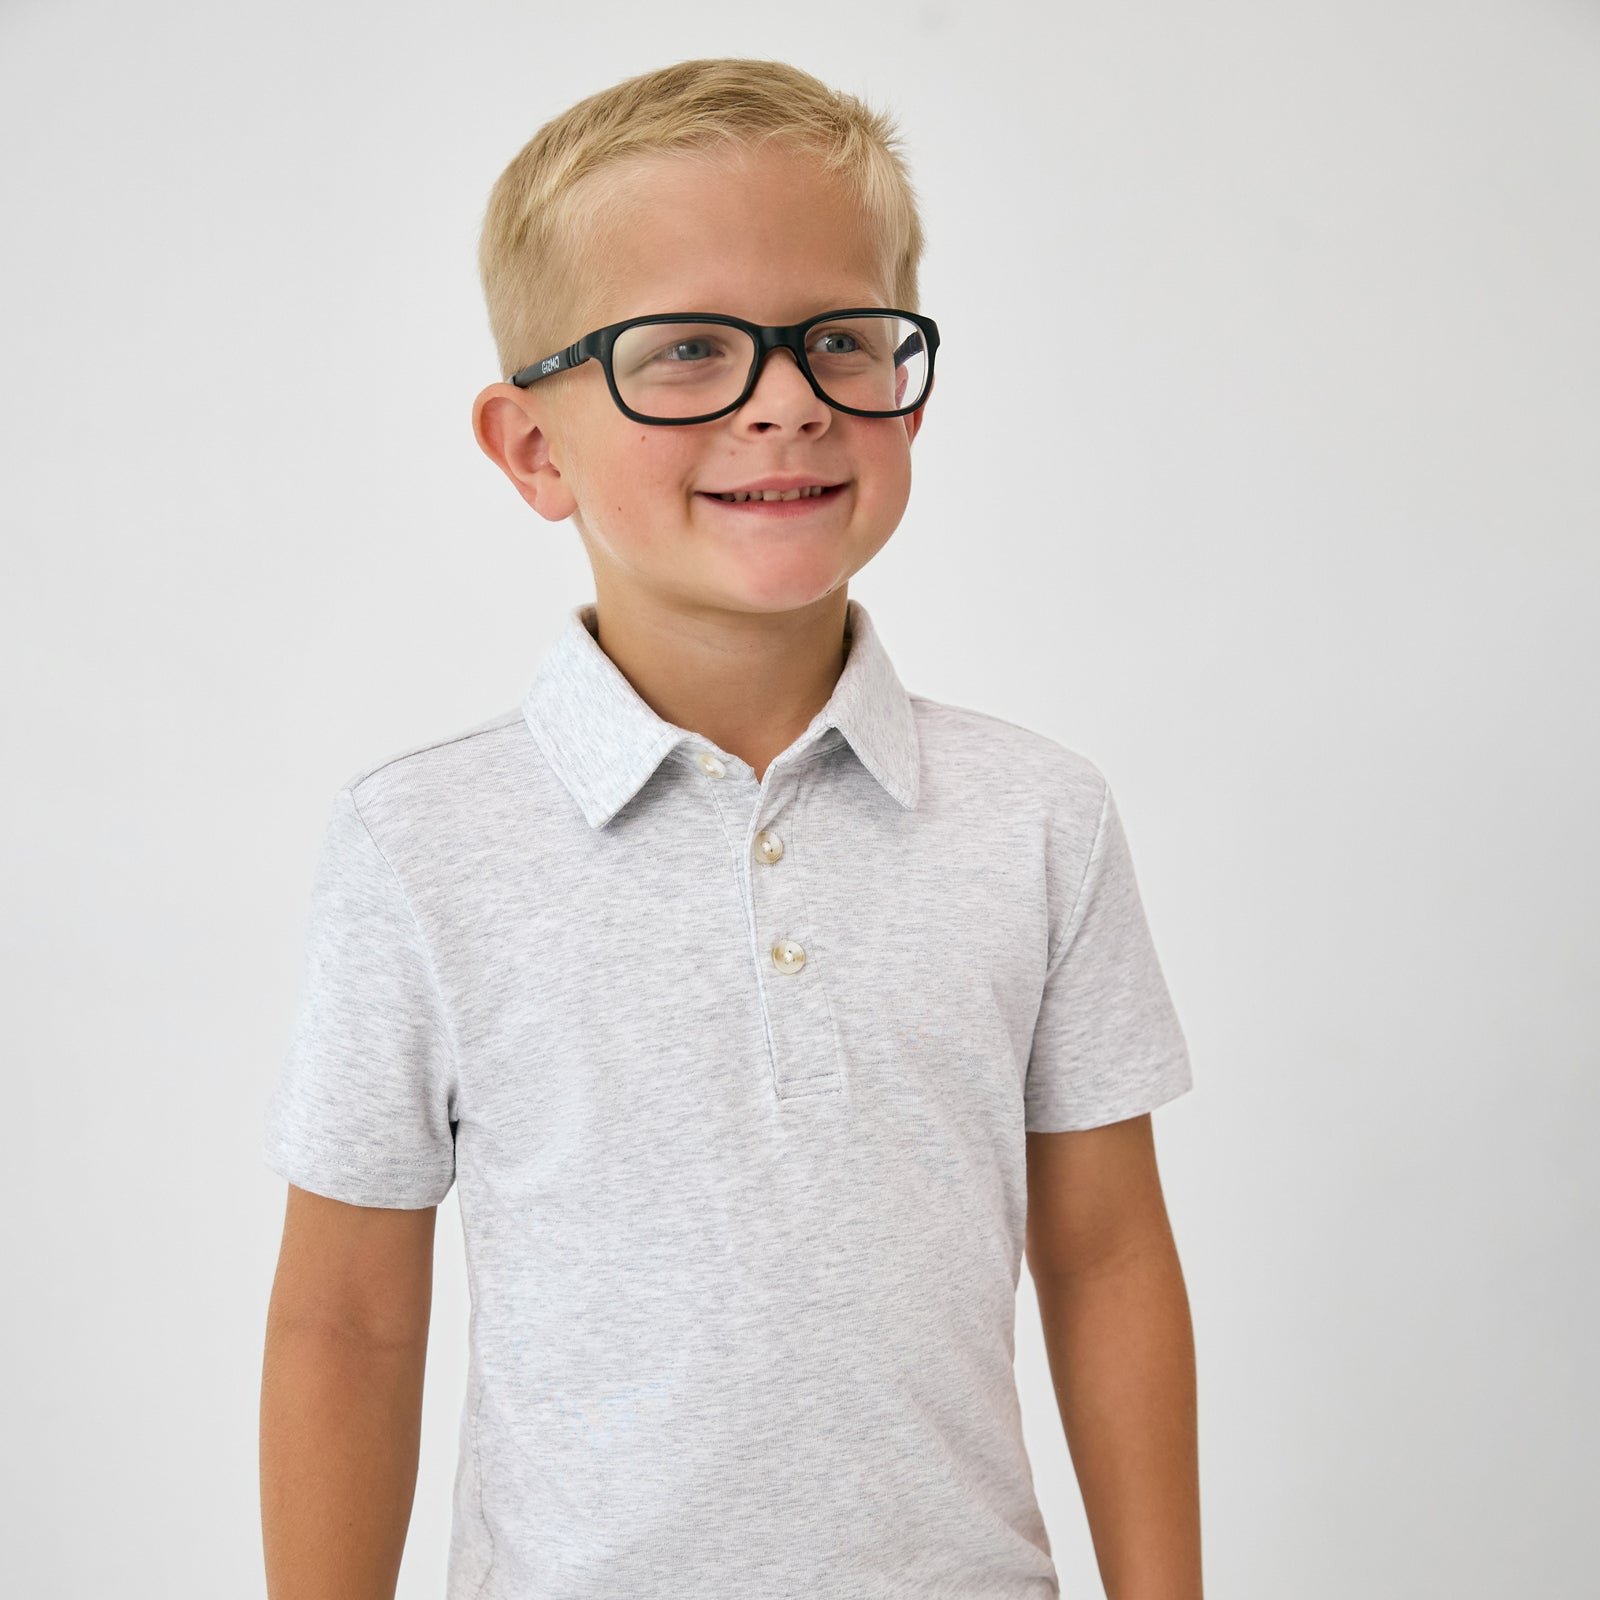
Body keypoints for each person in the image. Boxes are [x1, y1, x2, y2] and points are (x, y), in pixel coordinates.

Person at [258, 56, 1202, 1600]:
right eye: (688, 348)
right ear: (533, 448)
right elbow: (345, 1321)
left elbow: (1106, 1260)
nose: (788, 400)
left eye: (840, 337)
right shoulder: (420, 842)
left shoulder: (1039, 819)